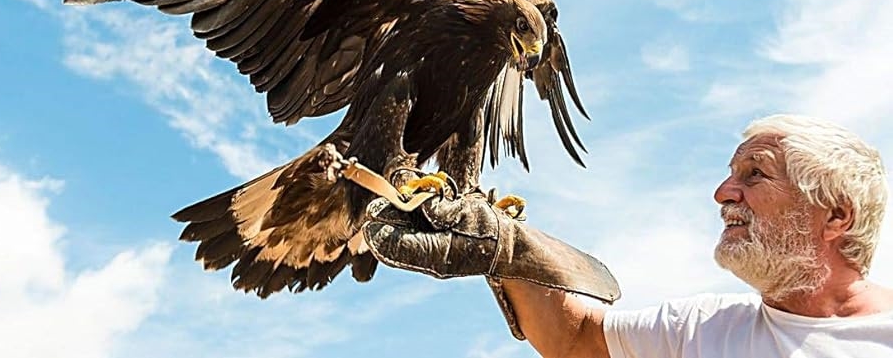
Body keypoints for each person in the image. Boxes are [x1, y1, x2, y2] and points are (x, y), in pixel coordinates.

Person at [363, 114, 893, 357]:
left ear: (836, 216)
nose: (723, 193)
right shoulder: (699, 330)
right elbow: (576, 341)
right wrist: (503, 247)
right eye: (730, 174)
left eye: (755, 174)